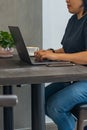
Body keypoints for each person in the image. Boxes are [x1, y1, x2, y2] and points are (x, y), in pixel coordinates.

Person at [34, 0, 87, 130]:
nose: (66, 0)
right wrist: (50, 52)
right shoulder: (73, 20)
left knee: (56, 106)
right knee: (40, 99)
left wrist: (56, 56)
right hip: (75, 77)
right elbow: (69, 48)